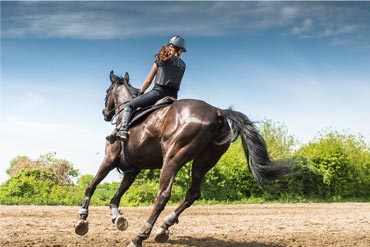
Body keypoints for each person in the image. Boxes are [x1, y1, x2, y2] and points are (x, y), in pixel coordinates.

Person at [107, 35, 187, 142]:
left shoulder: (161, 58)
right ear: (180, 50)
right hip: (173, 97)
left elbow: (149, 80)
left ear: (169, 45)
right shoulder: (183, 65)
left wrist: (141, 92)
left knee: (130, 105)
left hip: (158, 93)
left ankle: (123, 130)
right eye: (182, 51)